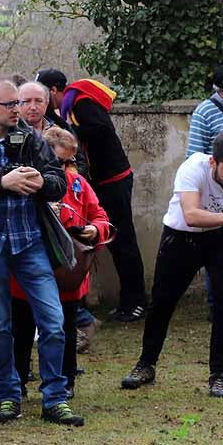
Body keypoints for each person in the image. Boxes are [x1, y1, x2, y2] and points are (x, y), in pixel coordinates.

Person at [0, 78, 83, 426]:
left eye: (18, 103)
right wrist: (2, 183)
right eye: (10, 104)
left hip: (30, 242)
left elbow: (57, 181)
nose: (17, 109)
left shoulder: (32, 138)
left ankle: (55, 397)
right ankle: (9, 396)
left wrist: (42, 183)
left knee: (53, 322)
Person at [121, 133, 223, 399]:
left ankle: (219, 375)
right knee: (162, 303)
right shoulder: (193, 167)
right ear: (213, 162)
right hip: (182, 237)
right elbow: (190, 215)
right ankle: (146, 364)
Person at [10, 128, 112, 401]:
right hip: (29, 270)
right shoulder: (25, 182)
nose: (68, 168)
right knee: (21, 328)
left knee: (65, 327)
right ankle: (17, 382)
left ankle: (65, 380)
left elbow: (100, 215)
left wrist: (94, 229)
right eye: (60, 162)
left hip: (69, 271)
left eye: (72, 161)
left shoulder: (78, 183)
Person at [57, 74, 147, 323]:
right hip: (108, 180)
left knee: (122, 240)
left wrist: (73, 131)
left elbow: (103, 128)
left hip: (114, 181)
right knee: (116, 242)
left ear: (55, 90)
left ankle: (136, 301)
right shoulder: (75, 103)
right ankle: (129, 301)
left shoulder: (81, 104)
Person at [19, 82, 88, 180]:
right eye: (27, 101)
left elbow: (80, 162)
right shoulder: (8, 132)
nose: (33, 107)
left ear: (46, 103)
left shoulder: (60, 129)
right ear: (17, 103)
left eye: (38, 101)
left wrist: (69, 179)